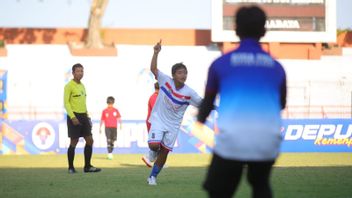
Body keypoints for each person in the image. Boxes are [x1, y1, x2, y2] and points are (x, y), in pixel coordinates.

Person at [197, 5, 287, 198]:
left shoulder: (220, 63)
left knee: (218, 190)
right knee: (261, 184)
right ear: (264, 31)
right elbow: (281, 104)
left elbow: (207, 102)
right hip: (267, 140)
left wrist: (199, 122)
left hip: (232, 140)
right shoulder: (277, 67)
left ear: (236, 29)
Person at [143, 40, 203, 185]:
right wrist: (156, 52)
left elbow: (203, 103)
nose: (183, 75)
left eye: (185, 73)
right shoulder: (165, 80)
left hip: (173, 126)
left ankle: (152, 177)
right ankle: (152, 151)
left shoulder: (189, 93)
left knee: (164, 152)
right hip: (158, 120)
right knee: (153, 145)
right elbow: (153, 69)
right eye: (180, 72)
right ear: (173, 75)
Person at [64, 63, 102, 174]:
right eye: (78, 71)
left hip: (84, 116)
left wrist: (87, 116)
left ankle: (87, 166)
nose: (80, 73)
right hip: (74, 116)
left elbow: (83, 103)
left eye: (82, 71)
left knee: (90, 140)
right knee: (74, 141)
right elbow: (66, 103)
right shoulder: (68, 86)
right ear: (73, 73)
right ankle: (71, 167)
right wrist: (72, 117)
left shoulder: (82, 86)